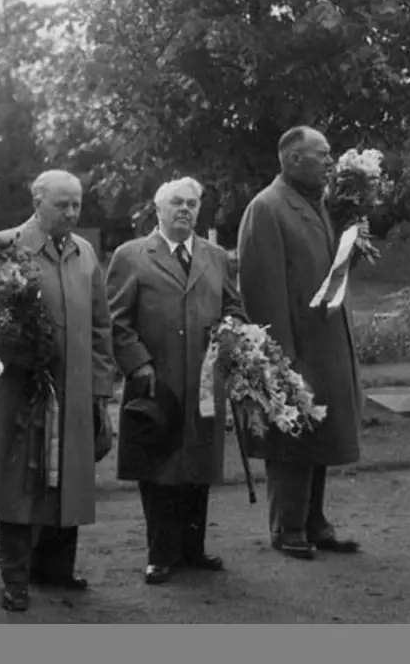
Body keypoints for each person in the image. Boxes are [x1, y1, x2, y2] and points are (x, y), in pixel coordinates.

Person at [0, 169, 115, 613]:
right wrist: (21, 352)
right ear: (38, 201)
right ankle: (15, 577)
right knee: (22, 482)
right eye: (62, 204)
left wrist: (98, 390)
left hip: (73, 391)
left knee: (68, 477)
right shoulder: (6, 245)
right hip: (24, 389)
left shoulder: (85, 252)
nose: (71, 212)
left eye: (77, 204)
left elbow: (99, 327)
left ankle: (56, 567)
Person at [106, 176, 246, 585]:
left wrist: (232, 332)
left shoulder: (216, 256)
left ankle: (193, 548)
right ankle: (160, 553)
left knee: (198, 465)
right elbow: (117, 321)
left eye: (191, 204)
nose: (184, 210)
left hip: (204, 380)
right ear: (159, 209)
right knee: (158, 467)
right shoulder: (132, 256)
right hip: (155, 381)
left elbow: (235, 307)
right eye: (176, 203)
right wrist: (138, 364)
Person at [236, 125, 363, 560]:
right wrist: (282, 362)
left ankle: (314, 522)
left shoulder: (319, 205)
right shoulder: (267, 208)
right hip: (293, 348)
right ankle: (286, 527)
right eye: (322, 154)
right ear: (292, 159)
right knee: (291, 436)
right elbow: (261, 288)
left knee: (319, 434)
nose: (330, 162)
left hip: (323, 341)